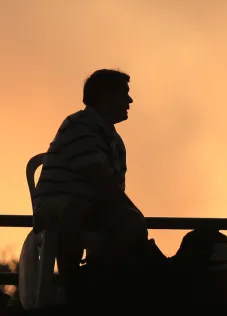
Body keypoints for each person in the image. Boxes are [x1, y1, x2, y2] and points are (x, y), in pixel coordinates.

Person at [32, 69, 165, 302]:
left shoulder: (114, 141)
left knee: (118, 221)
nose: (130, 101)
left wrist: (129, 217)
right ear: (105, 97)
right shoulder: (78, 126)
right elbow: (102, 183)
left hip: (90, 208)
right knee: (80, 209)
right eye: (124, 94)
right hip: (56, 207)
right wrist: (134, 216)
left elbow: (112, 191)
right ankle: (72, 289)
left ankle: (102, 288)